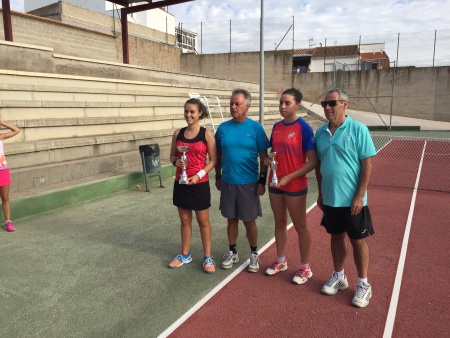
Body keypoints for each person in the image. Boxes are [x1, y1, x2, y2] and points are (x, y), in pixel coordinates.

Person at [315, 88, 376, 308]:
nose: (328, 108)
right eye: (325, 104)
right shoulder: (320, 133)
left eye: (332, 103)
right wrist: (321, 194)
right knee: (336, 238)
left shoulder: (359, 129)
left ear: (345, 104)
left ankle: (363, 283)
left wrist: (359, 196)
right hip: (331, 199)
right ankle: (339, 276)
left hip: (353, 200)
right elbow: (320, 166)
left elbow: (367, 164)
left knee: (358, 241)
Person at [263, 88, 318, 285]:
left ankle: (305, 267)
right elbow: (274, 153)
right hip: (275, 183)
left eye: (287, 103)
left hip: (294, 184)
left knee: (300, 225)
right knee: (279, 222)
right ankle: (281, 261)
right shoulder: (277, 127)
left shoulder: (303, 127)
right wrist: (269, 160)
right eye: (281, 103)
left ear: (297, 105)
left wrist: (289, 177)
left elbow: (312, 161)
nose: (283, 106)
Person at [215, 89, 269, 273]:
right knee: (231, 219)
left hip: (249, 183)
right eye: (231, 103)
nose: (233, 107)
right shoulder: (223, 128)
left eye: (237, 103)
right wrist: (218, 176)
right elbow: (218, 155)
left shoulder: (256, 129)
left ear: (247, 105)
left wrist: (262, 181)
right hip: (228, 182)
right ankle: (233, 251)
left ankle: (254, 253)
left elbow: (264, 157)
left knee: (249, 221)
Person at [168, 98, 217, 273]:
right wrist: (177, 163)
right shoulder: (178, 134)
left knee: (203, 222)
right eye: (186, 111)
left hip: (199, 183)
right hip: (181, 183)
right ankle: (185, 254)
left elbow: (214, 160)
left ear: (200, 113)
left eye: (192, 112)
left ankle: (207, 256)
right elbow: (172, 157)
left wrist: (198, 175)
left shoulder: (206, 134)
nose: (188, 115)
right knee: (184, 220)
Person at [0, 120, 21, 232]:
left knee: (5, 197)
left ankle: (8, 221)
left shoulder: (1, 136)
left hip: (2, 171)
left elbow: (17, 130)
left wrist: (2, 122)